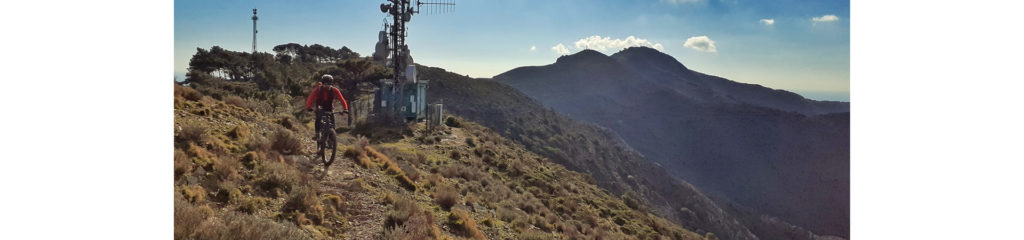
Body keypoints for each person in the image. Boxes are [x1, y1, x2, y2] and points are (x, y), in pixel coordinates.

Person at [306, 75, 349, 141]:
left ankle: (332, 137)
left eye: (328, 84)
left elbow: (342, 99)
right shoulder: (318, 89)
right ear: (322, 83)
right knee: (318, 118)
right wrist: (309, 107)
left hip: (329, 107)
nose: (326, 86)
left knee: (332, 122)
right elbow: (310, 98)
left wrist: (345, 108)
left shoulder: (335, 90)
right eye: (324, 84)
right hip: (320, 106)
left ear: (331, 83)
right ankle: (317, 134)